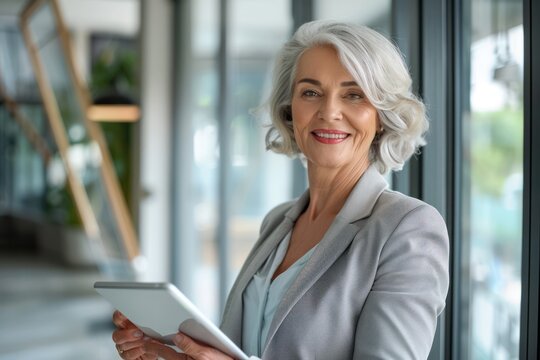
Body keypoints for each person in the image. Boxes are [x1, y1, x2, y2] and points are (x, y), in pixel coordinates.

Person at [111, 20, 449, 360]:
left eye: (354, 94)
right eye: (311, 92)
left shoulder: (409, 227)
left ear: (382, 116)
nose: (329, 111)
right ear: (290, 111)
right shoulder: (277, 222)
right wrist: (172, 354)